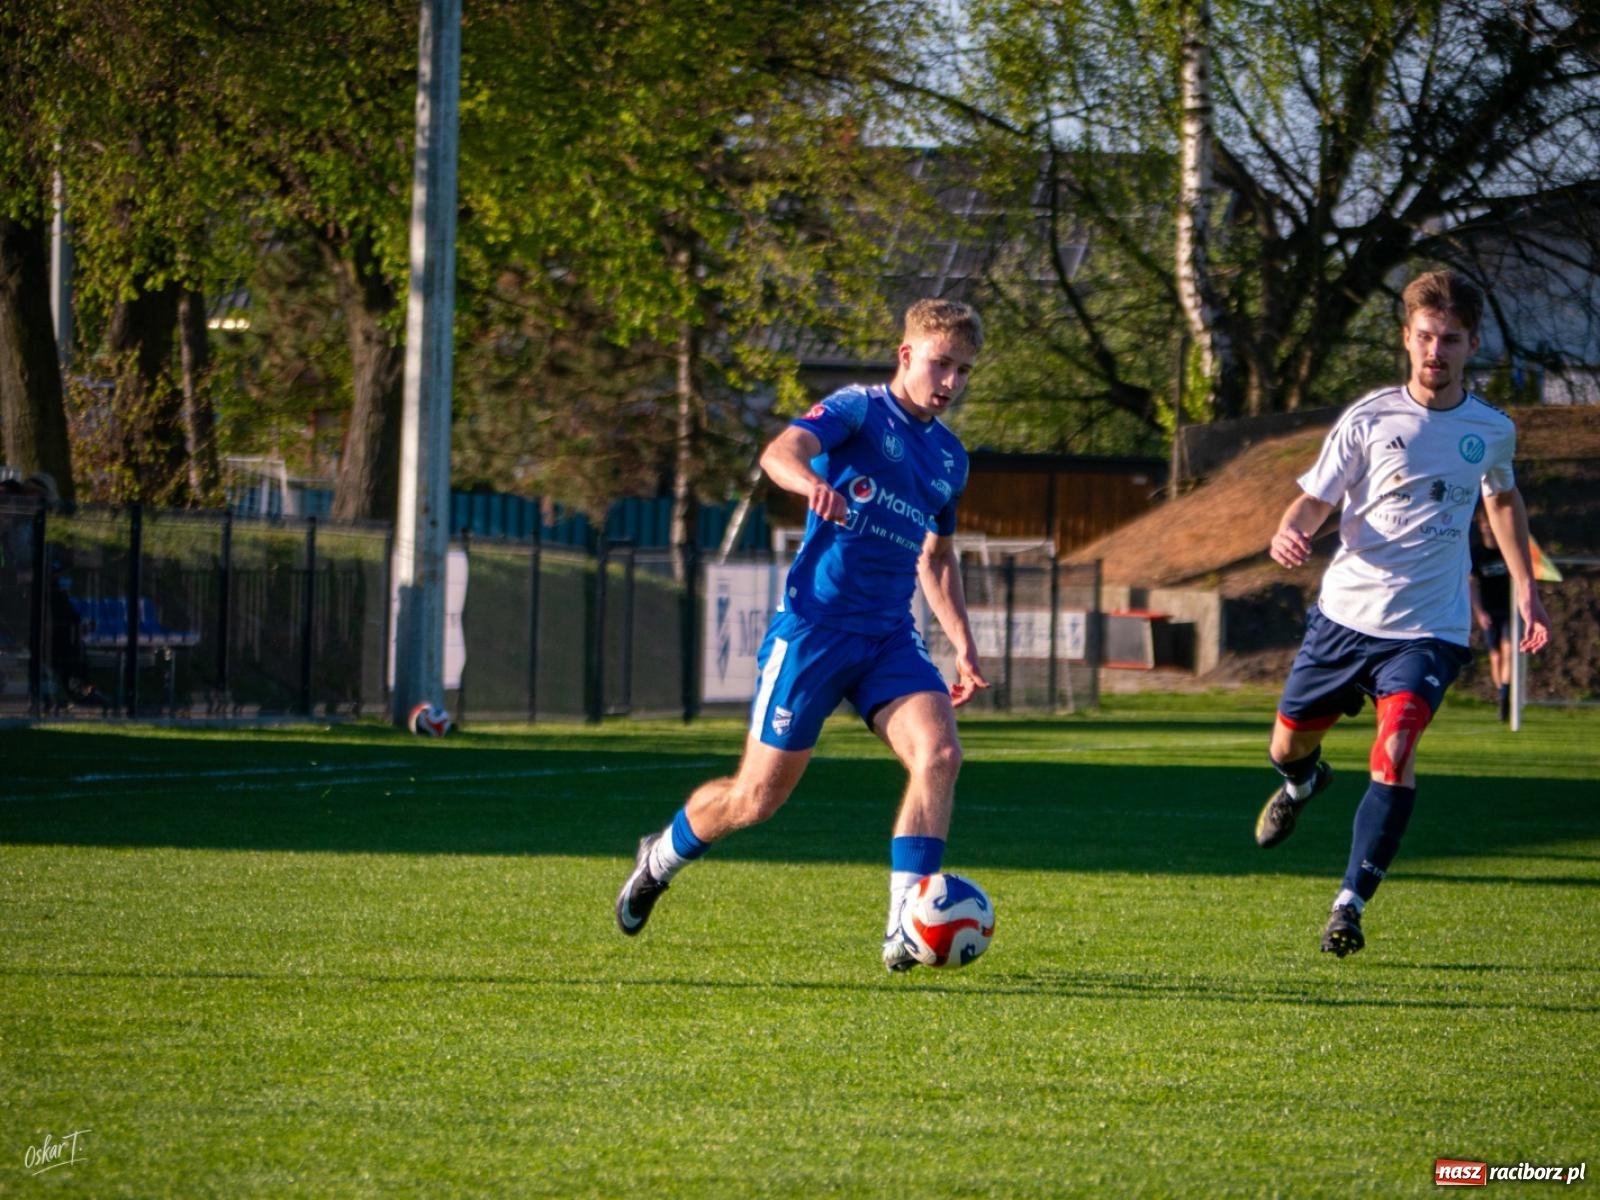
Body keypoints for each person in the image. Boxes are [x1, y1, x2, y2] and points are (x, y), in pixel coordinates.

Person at [614, 298, 989, 971]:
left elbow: (935, 557)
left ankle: (904, 925)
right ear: (907, 355)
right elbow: (779, 453)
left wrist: (961, 640)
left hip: (888, 639)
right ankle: (660, 857)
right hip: (814, 631)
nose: (952, 382)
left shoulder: (950, 460)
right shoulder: (858, 409)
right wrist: (811, 483)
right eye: (942, 364)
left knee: (939, 756)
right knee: (754, 801)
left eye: (964, 371)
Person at [1253, 269, 1551, 957]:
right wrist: (1288, 528)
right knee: (1285, 745)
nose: (1435, 352)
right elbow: (1314, 499)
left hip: (1427, 631)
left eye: (1449, 340)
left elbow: (1502, 501)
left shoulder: (1490, 430)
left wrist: (1526, 587)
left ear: (1472, 343)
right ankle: (1304, 782)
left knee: (1397, 750)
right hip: (1344, 618)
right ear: (1405, 338)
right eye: (1424, 337)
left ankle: (1348, 904)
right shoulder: (1369, 419)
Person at [1469, 506, 1513, 721]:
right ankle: (1502, 694)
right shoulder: (1477, 553)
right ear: (1480, 525)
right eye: (1484, 522)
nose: (1488, 526)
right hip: (1489, 611)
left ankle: (1506, 695)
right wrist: (1479, 612)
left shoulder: (1506, 550)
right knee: (1495, 657)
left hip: (1508, 610)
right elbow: (1472, 585)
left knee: (1509, 650)